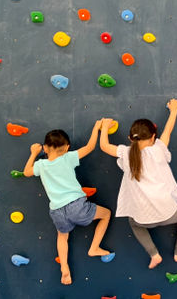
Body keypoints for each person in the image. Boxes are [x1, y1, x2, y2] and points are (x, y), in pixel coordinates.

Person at [99, 99, 177, 269]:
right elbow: (167, 132)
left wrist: (104, 127)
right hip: (167, 212)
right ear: (154, 137)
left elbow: (104, 146)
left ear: (130, 138)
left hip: (143, 219)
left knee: (133, 222)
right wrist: (173, 110)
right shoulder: (158, 149)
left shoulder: (126, 152)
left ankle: (154, 254)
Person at [23, 121, 112, 285]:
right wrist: (96, 127)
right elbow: (90, 147)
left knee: (62, 237)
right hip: (76, 206)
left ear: (45, 147)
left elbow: (26, 172)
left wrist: (33, 153)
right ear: (67, 147)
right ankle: (94, 248)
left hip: (56, 211)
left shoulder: (41, 165)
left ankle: (64, 267)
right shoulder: (67, 158)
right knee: (106, 214)